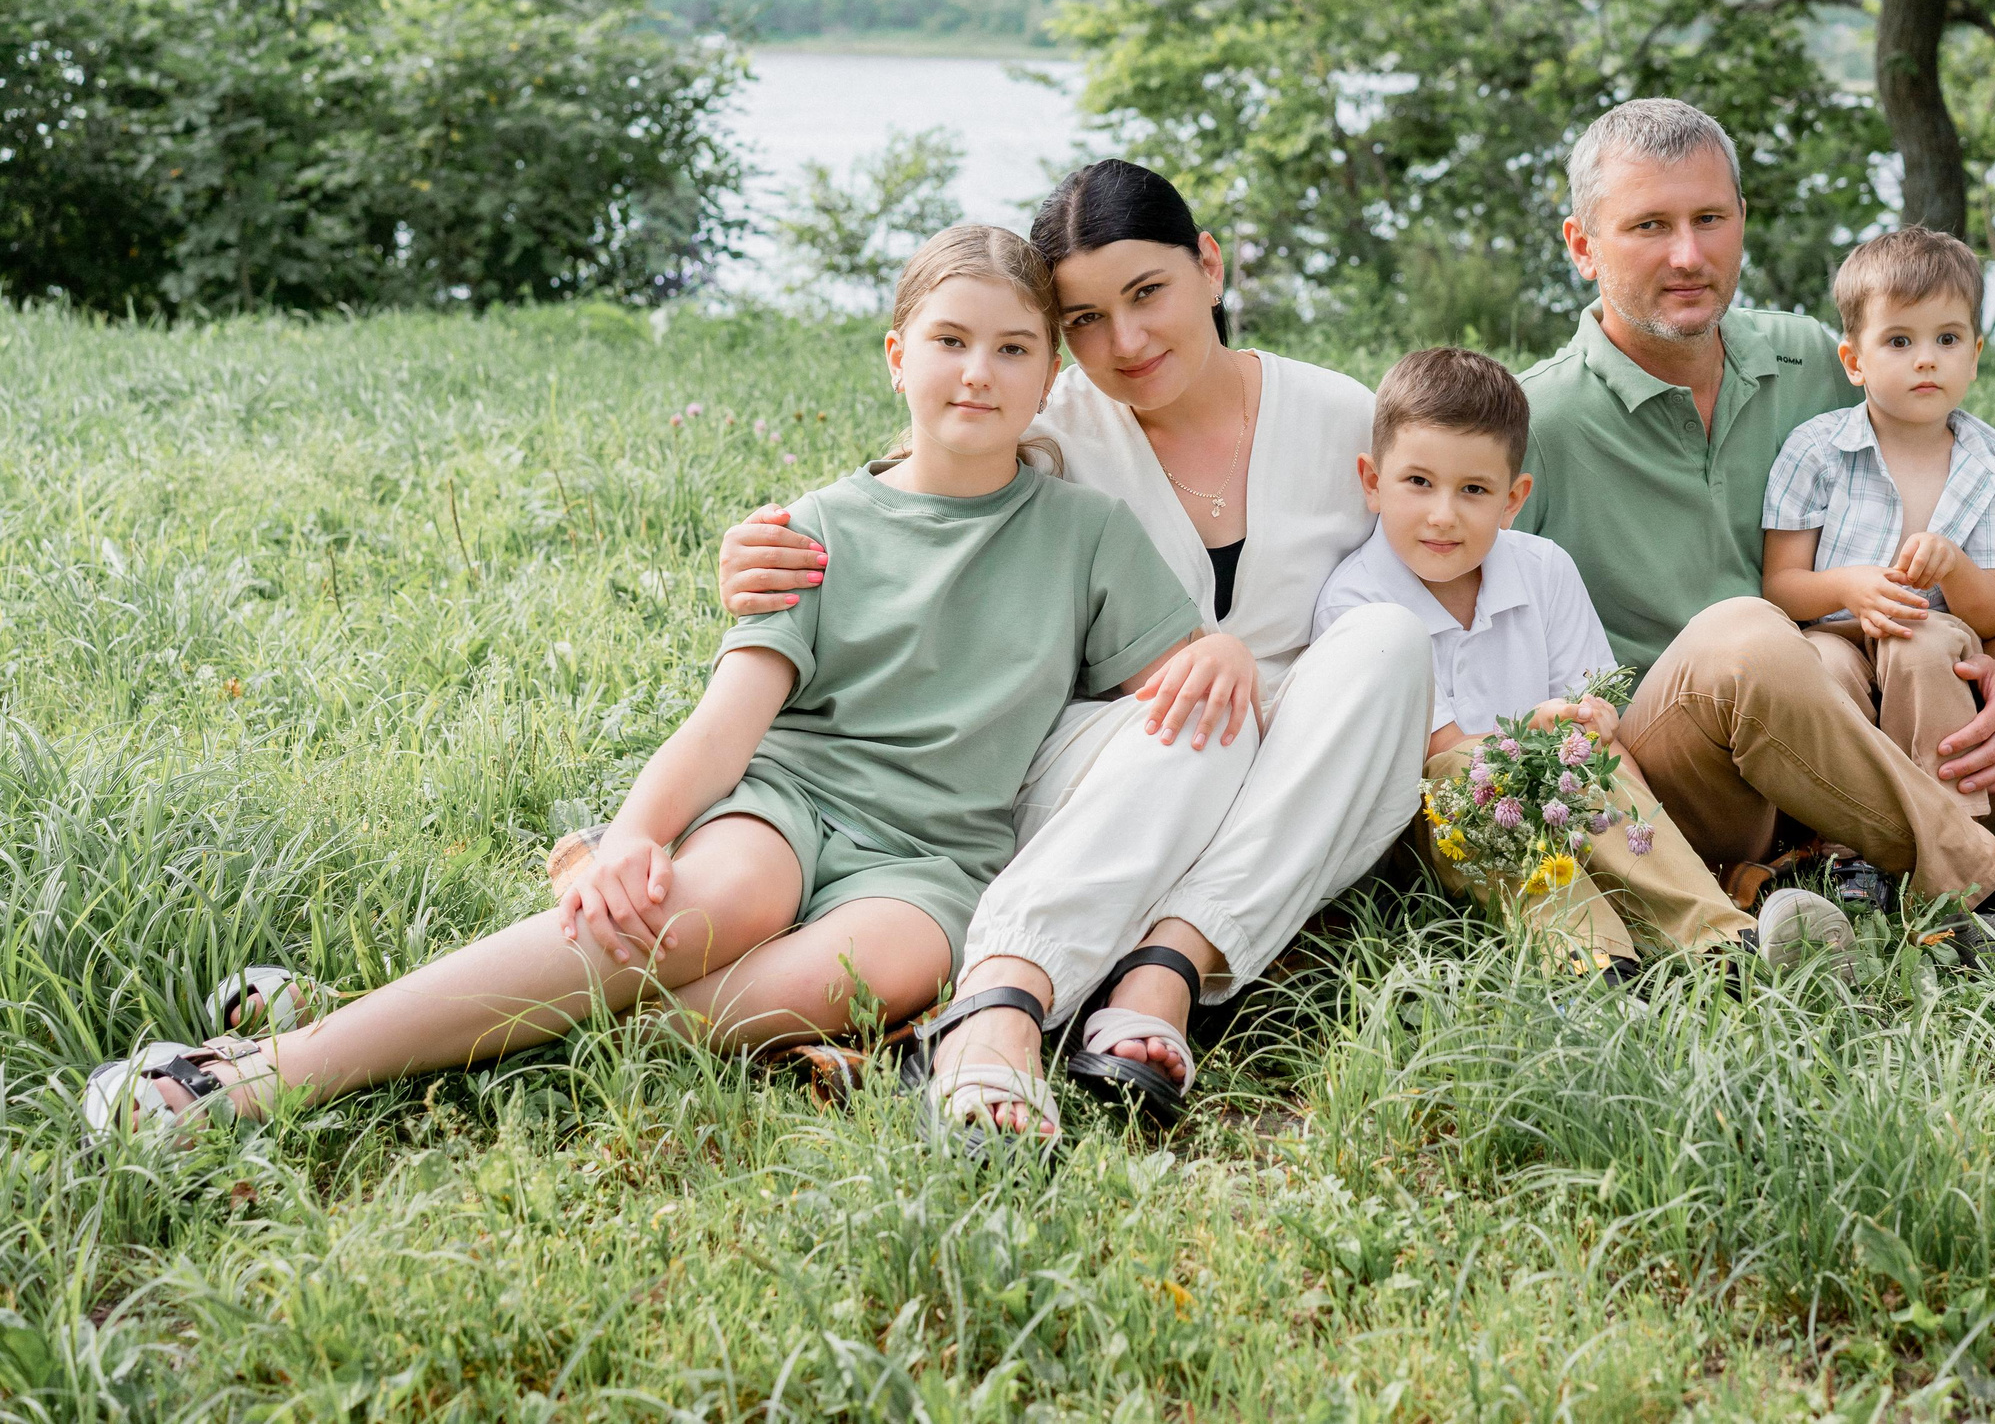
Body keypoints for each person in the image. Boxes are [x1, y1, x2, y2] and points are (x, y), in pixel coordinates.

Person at [84, 226, 1204, 1144]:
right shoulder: (813, 528)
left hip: (935, 861)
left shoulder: (1086, 536)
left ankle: (393, 1026)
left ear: (1050, 376)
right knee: (703, 915)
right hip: (789, 804)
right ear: (895, 356)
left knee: (824, 986)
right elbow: (728, 729)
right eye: (950, 340)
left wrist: (1231, 652)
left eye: (1013, 349)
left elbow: (1179, 704)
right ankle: (280, 1072)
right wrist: (631, 837)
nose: (978, 371)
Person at [708, 160, 1433, 1130]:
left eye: (1147, 294)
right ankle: (1004, 1001)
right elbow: (908, 507)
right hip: (1112, 781)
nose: (1124, 342)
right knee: (1195, 712)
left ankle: (1164, 971)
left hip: (1293, 801)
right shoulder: (1050, 421)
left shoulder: (1344, 419)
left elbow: (1463, 565)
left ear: (1208, 267)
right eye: (1083, 320)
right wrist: (766, 550)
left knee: (1387, 641)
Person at [1512, 98, 1995, 943]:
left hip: (1897, 711)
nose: (1688, 254)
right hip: (1711, 772)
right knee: (1748, 631)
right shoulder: (1533, 424)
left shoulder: (1807, 358)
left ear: (1741, 222)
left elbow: (1952, 518)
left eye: (1709, 218)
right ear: (1582, 246)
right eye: (1649, 225)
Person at [1311, 347, 1856, 979]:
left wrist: (1642, 832)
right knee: (1479, 771)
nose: (1442, 514)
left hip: (1550, 810)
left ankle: (1725, 946)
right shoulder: (1358, 600)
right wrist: (1540, 741)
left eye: (1474, 490)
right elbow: (1445, 753)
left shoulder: (1543, 568)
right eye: (1418, 483)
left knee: (1593, 757)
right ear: (1373, 482)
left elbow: (1604, 744)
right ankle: (1595, 964)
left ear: (1513, 499)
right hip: (1429, 835)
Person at [1761, 228, 1995, 822]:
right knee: (1819, 666)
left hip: (1929, 655)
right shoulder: (1816, 451)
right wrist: (1846, 588)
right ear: (1854, 361)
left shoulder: (1992, 469)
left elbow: (1993, 614)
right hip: (1838, 638)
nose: (1927, 357)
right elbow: (1780, 585)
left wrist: (1955, 566)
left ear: (1976, 356)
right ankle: (1849, 842)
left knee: (1924, 641)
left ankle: (1954, 834)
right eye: (1900, 340)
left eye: (1948, 338)